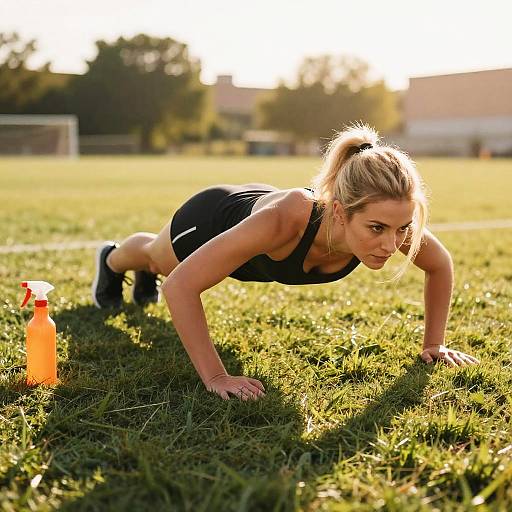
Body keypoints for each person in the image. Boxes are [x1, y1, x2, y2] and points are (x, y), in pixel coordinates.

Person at [91, 124, 480, 401]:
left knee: (164, 269)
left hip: (257, 231)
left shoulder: (386, 220)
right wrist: (216, 376)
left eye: (401, 229)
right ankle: (112, 261)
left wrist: (434, 344)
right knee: (160, 263)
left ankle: (142, 271)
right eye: (377, 228)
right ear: (341, 213)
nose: (390, 243)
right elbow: (182, 288)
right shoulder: (289, 218)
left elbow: (439, 263)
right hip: (212, 220)